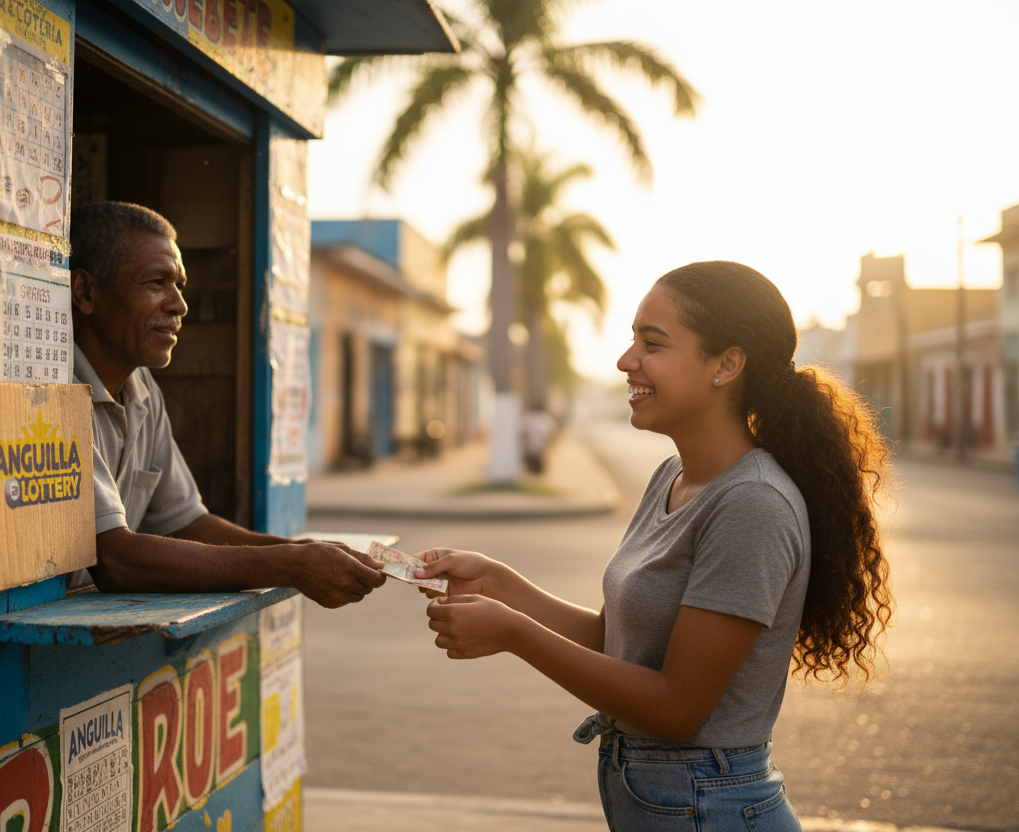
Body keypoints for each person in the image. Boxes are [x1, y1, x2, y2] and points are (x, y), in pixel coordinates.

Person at [417, 261, 893, 829]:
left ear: (727, 365)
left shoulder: (753, 504)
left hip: (708, 807)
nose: (626, 361)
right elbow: (615, 640)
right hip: (669, 801)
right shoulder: (672, 475)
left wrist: (512, 632)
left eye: (653, 343)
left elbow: (675, 708)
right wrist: (498, 582)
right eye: (632, 339)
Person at [68, 201, 386, 606]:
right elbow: (114, 559)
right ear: (86, 292)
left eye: (179, 286)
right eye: (155, 283)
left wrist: (305, 549)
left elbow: (186, 523)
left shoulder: (141, 388)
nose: (178, 305)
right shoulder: (52, 391)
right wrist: (291, 563)